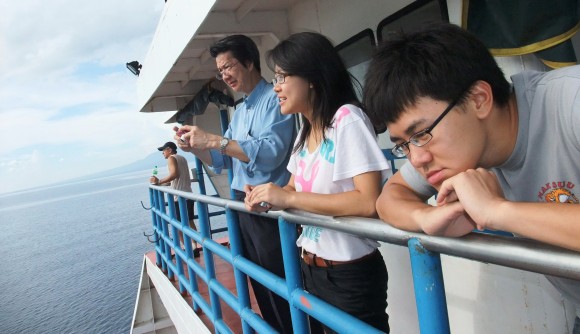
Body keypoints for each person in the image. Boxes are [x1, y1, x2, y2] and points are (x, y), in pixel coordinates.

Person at [363, 22, 580, 333]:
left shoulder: (571, 102)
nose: (417, 158)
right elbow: (389, 197)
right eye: (402, 145)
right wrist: (426, 218)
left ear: (479, 99)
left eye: (421, 134)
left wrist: (497, 211)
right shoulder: (454, 150)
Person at [245, 32, 391, 333]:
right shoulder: (306, 132)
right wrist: (268, 196)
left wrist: (288, 199)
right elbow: (294, 188)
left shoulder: (347, 120)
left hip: (349, 273)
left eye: (282, 77)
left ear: (311, 77)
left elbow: (367, 201)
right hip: (311, 268)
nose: (277, 88)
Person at [175, 35, 296, 333]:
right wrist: (196, 147)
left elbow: (269, 154)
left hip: (271, 211)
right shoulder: (239, 111)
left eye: (228, 66)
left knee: (282, 285)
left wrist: (215, 140)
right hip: (244, 207)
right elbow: (221, 160)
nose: (225, 75)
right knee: (258, 283)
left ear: (249, 62)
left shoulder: (274, 100)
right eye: (220, 71)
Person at [150, 141, 200, 257]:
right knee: (190, 221)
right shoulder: (182, 158)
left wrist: (159, 181)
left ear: (170, 150)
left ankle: (186, 249)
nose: (163, 153)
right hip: (188, 194)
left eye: (164, 150)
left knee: (177, 226)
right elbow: (178, 177)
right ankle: (194, 247)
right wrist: (167, 183)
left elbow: (174, 174)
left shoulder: (171, 158)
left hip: (179, 198)